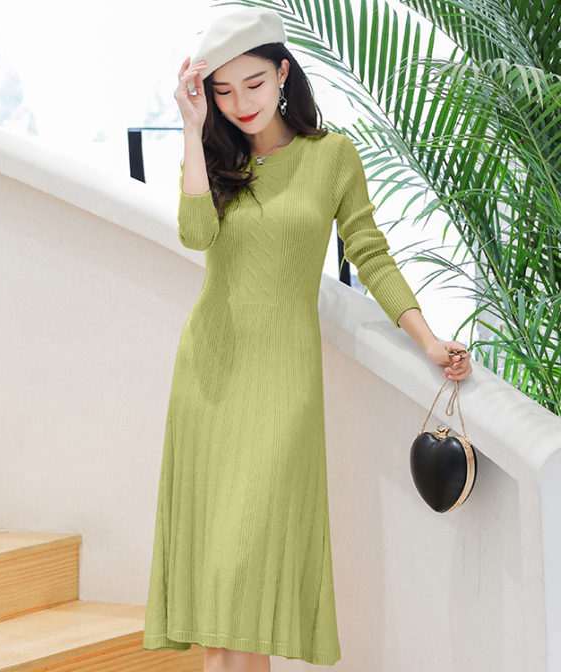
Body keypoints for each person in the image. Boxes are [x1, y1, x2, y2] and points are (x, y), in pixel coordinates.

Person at [143, 7, 473, 671]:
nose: (241, 103)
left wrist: (428, 340)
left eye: (254, 84)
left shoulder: (332, 156)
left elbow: (369, 252)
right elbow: (195, 234)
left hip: (283, 381)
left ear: (283, 73)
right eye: (223, 91)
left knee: (247, 577)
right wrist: (190, 128)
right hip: (210, 375)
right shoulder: (213, 157)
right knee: (223, 612)